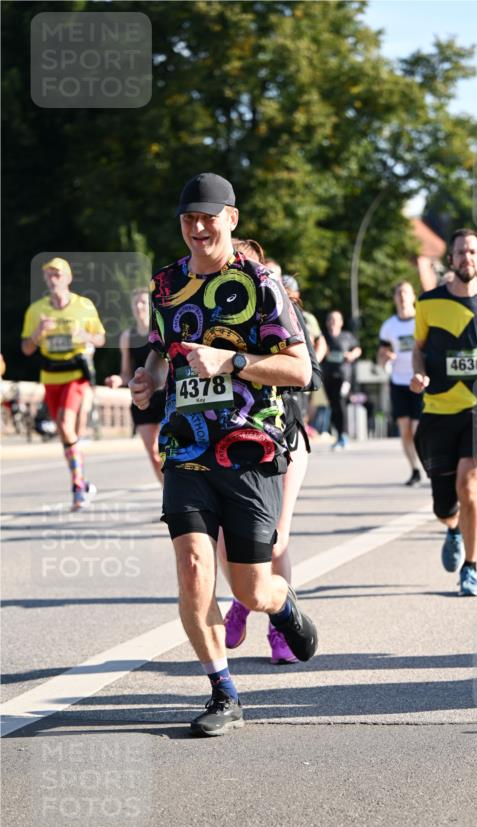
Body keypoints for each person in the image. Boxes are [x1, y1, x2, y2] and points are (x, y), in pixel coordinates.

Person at [129, 172, 318, 737]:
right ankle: (223, 691)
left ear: (231, 219)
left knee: (250, 589)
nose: (197, 227)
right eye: (188, 218)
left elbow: (301, 371)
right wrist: (147, 378)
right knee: (193, 568)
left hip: (249, 449)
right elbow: (160, 351)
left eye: (207, 217)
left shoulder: (260, 283)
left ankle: (282, 605)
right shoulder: (166, 284)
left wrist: (231, 361)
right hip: (186, 448)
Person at [221, 248, 324, 665]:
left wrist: (252, 366)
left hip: (284, 437)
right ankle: (245, 596)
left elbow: (310, 375)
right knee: (229, 537)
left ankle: (278, 627)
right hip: (228, 438)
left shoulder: (283, 311)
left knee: (275, 537)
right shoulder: (214, 316)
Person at [411, 229, 477, 597]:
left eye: (472, 251)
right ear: (451, 260)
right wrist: (419, 373)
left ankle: (470, 569)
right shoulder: (428, 302)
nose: (466, 257)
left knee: (468, 487)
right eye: (460, 252)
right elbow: (418, 348)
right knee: (444, 504)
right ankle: (452, 528)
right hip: (439, 408)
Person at [21, 257, 105, 510]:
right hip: (51, 376)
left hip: (76, 374)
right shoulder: (36, 310)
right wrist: (38, 333)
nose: (53, 279)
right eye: (48, 275)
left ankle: (77, 487)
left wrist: (84, 335)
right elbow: (26, 349)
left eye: (57, 274)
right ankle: (82, 481)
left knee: (66, 425)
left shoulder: (84, 305)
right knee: (65, 432)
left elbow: (100, 338)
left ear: (68, 278)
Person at [105, 288, 164, 481]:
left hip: (165, 396)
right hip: (142, 399)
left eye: (143, 302)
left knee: (166, 450)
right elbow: (126, 373)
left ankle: (173, 492)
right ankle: (165, 491)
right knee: (153, 454)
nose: (139, 307)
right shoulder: (127, 337)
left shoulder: (160, 331)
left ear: (151, 305)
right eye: (135, 303)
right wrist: (118, 379)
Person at [377, 281, 423, 486]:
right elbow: (381, 357)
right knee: (405, 430)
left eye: (406, 292)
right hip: (398, 382)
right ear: (395, 298)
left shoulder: (421, 321)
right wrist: (385, 357)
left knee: (417, 430)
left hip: (419, 380)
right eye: (399, 293)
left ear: (413, 296)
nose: (402, 296)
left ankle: (428, 462)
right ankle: (415, 469)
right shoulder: (389, 326)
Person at [321, 310, 361, 449]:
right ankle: (338, 435)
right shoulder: (323, 338)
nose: (333, 322)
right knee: (333, 405)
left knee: (340, 402)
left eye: (336, 319)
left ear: (341, 322)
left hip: (344, 376)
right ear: (327, 322)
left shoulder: (347, 336)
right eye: (330, 319)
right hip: (328, 376)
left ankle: (343, 435)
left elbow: (358, 349)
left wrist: (352, 355)